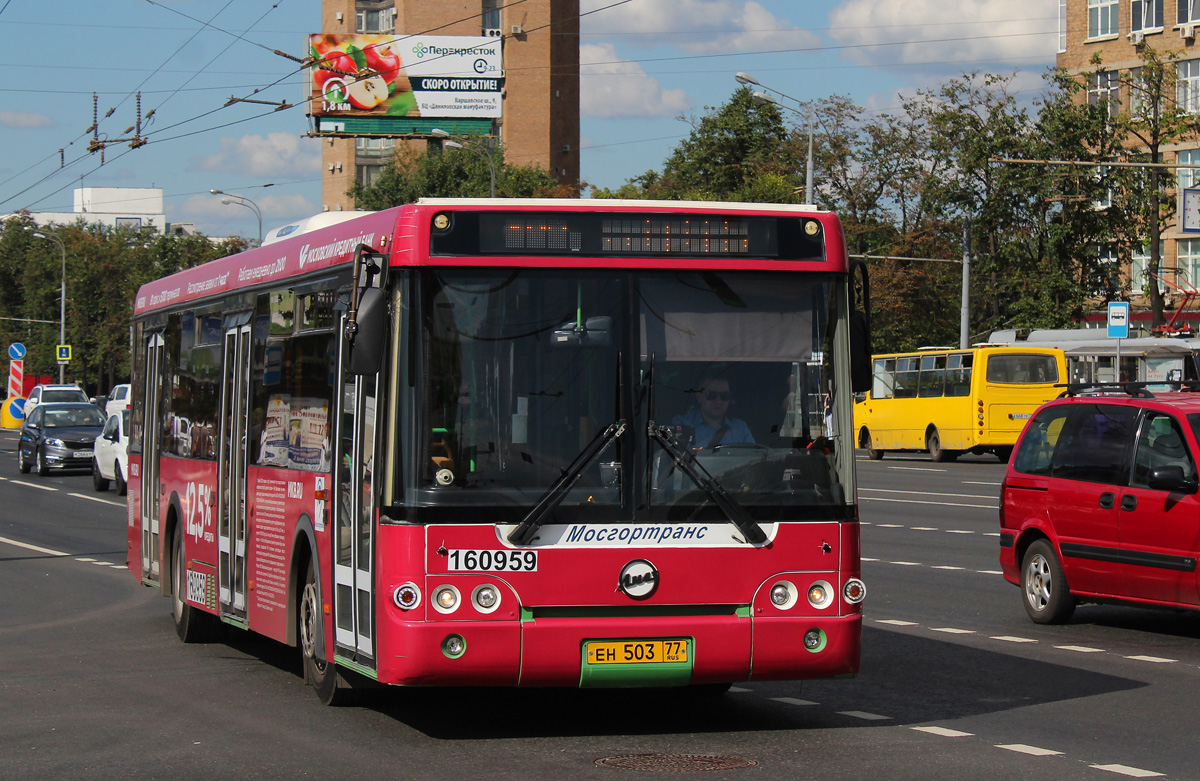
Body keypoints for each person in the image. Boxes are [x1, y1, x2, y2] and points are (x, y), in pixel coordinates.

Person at [672, 375, 754, 449]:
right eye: (711, 395)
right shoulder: (682, 423)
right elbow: (676, 457)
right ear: (699, 396)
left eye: (724, 396)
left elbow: (753, 460)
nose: (718, 401)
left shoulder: (741, 429)